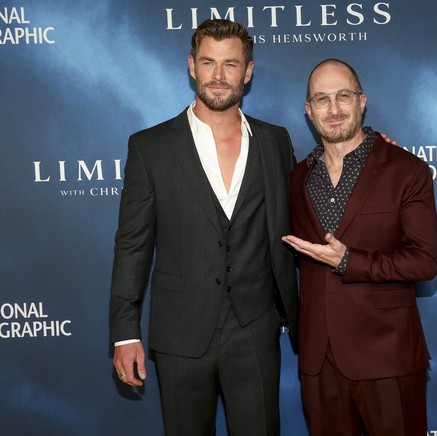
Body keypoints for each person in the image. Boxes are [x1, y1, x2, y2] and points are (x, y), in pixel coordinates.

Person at [109, 19, 298, 436]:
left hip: (254, 328)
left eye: (230, 65)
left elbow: (311, 191)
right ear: (191, 66)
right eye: (209, 62)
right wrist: (125, 333)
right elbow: (132, 246)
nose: (218, 76)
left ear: (247, 72)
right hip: (180, 332)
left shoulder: (275, 141)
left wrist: (373, 153)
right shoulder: (151, 147)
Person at [282, 59, 437, 435]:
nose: (333, 109)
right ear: (308, 110)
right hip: (320, 362)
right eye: (322, 99)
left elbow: (425, 260)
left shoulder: (407, 170)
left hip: (388, 358)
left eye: (343, 96)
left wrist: (349, 261)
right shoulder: (297, 177)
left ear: (362, 101)